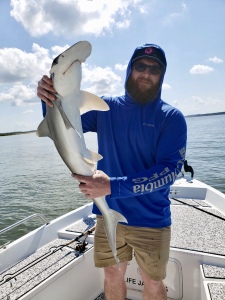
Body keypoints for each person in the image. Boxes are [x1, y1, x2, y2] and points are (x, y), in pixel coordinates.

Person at [37, 43, 187, 300]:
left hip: (151, 220)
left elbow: (168, 172)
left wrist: (111, 187)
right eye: (140, 66)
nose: (146, 73)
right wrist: (49, 98)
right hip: (107, 218)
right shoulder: (106, 108)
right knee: (112, 275)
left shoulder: (171, 117)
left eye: (154, 69)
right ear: (130, 69)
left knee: (152, 283)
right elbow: (64, 125)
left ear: (161, 76)